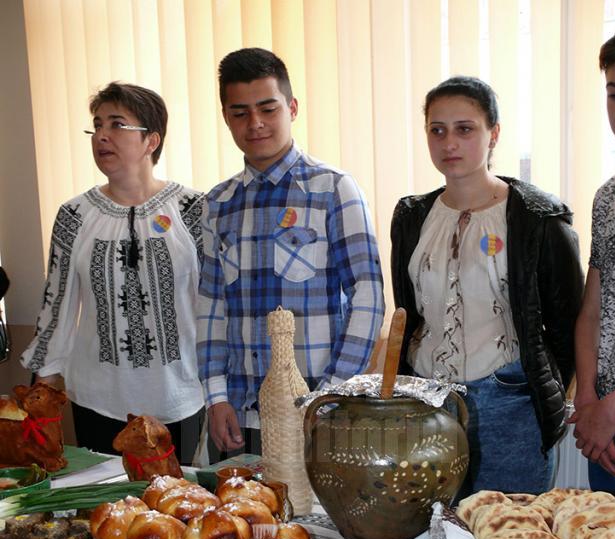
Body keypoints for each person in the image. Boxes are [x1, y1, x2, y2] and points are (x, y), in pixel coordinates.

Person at [391, 76, 583, 498]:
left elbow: (568, 327)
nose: (449, 143)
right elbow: (410, 315)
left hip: (510, 405)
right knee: (434, 538)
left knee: (510, 538)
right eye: (436, 130)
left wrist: (539, 395)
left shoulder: (538, 219)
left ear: (493, 133)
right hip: (427, 404)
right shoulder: (411, 216)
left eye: (465, 129)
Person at [197, 48, 385, 457]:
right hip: (241, 415)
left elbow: (368, 297)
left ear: (292, 107)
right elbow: (211, 307)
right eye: (240, 112)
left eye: (268, 108)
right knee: (248, 521)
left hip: (315, 413)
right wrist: (215, 396)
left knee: (312, 522)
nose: (256, 123)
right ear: (226, 117)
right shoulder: (217, 204)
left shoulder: (333, 189)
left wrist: (331, 397)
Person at [21, 82, 205, 462]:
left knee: (177, 507)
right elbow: (57, 301)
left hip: (181, 394)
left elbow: (215, 303)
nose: (102, 136)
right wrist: (46, 379)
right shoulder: (75, 214)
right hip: (97, 398)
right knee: (107, 507)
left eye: (117, 124)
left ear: (151, 140)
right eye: (97, 125)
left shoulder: (194, 209)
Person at [570, 19, 615, 503]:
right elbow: (592, 312)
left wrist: (612, 407)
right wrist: (588, 399)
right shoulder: (609, 196)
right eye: (614, 94)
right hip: (614, 437)